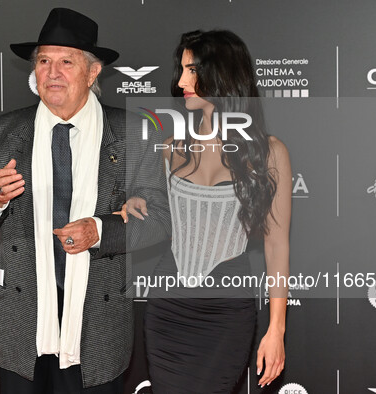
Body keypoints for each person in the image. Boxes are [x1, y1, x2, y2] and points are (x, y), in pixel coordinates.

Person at [0, 8, 169, 393]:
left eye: (66, 61)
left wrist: (101, 230)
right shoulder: (3, 133)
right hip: (22, 330)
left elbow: (158, 220)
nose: (52, 72)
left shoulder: (134, 134)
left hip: (98, 330)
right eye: (43, 61)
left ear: (93, 73)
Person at [120, 30, 291, 393]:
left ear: (224, 75)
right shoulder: (171, 148)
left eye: (192, 70)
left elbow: (277, 247)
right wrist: (138, 205)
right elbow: (158, 220)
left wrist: (276, 329)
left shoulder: (269, 153)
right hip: (169, 308)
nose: (181, 81)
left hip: (227, 313)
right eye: (181, 70)